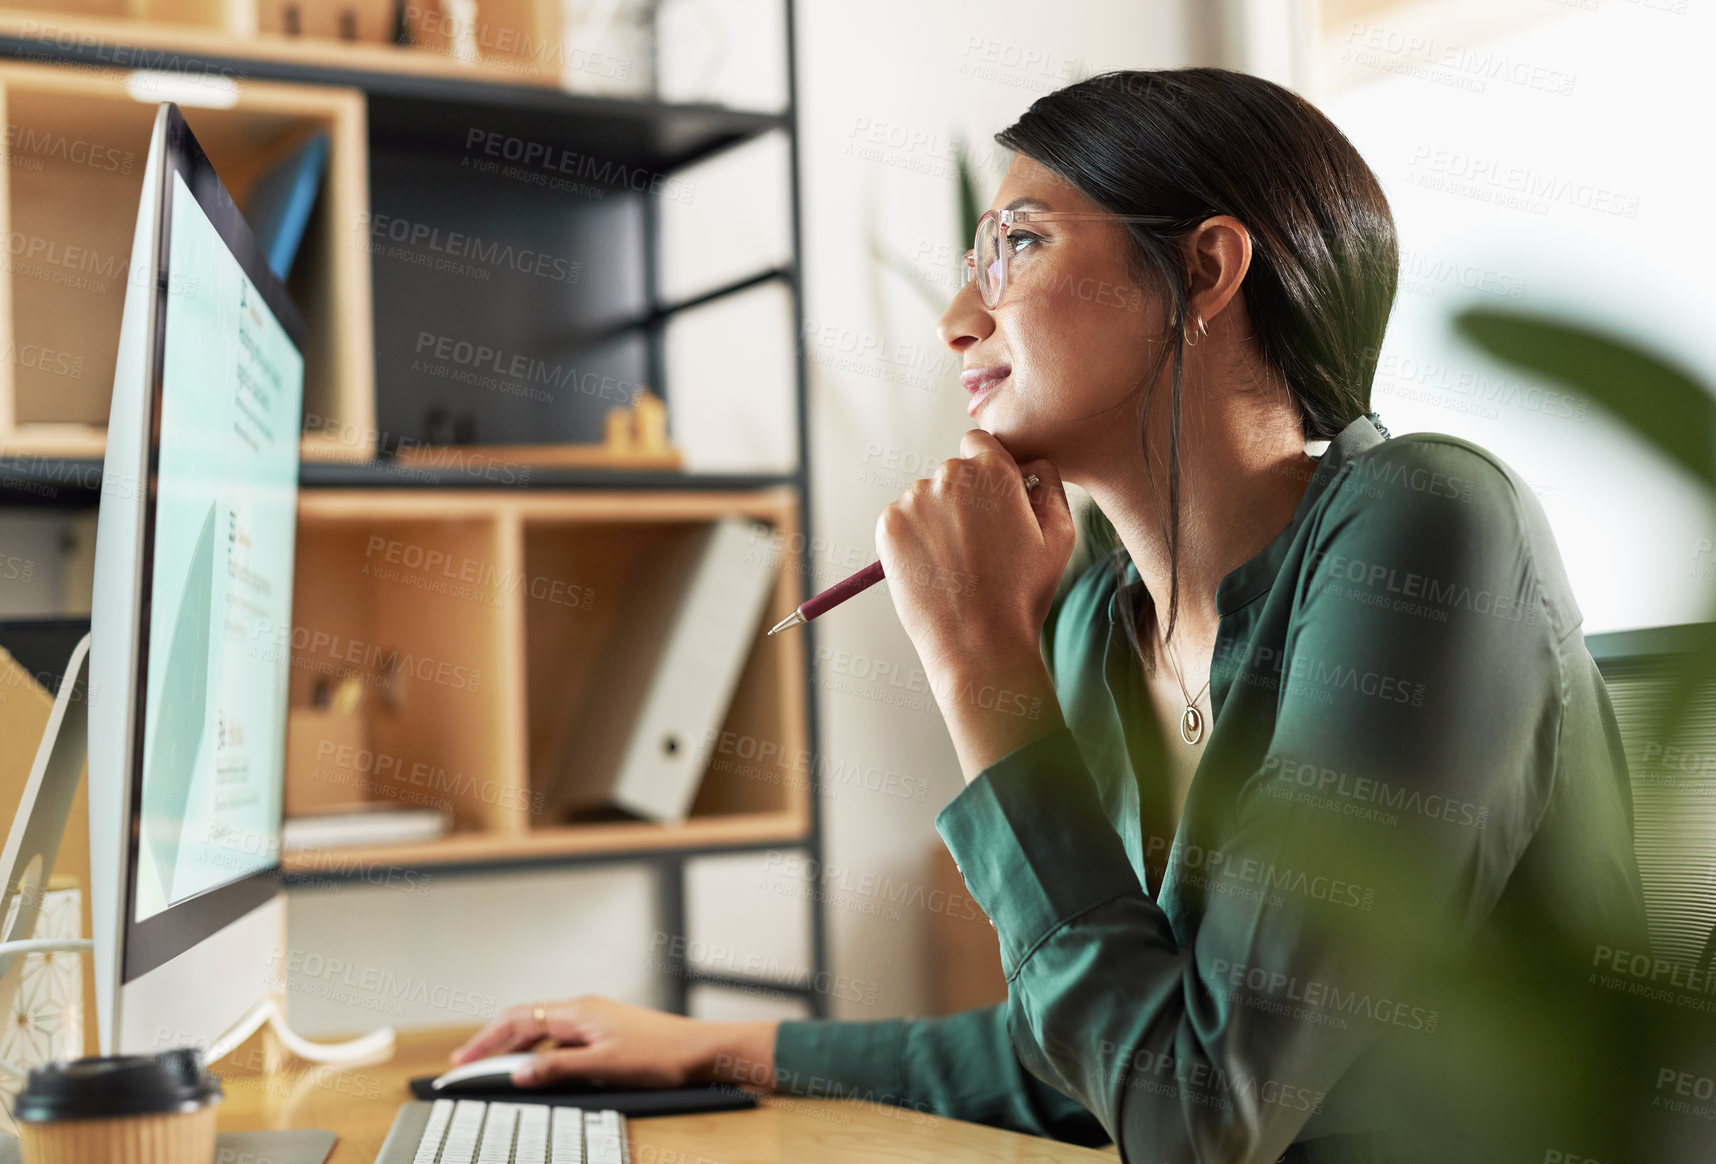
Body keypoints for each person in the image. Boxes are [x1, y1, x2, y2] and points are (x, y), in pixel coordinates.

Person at [451, 68, 1651, 1162]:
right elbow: (1096, 1056)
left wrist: (979, 665)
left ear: (1205, 270)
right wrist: (715, 1048)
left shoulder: (1426, 523)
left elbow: (1200, 1118)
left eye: (1017, 243)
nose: (956, 322)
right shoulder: (1093, 626)